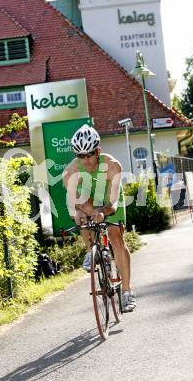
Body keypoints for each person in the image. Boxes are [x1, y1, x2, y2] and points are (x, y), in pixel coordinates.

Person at [62, 124, 136, 312]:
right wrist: (78, 213)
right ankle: (91, 251)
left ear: (98, 151)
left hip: (110, 201)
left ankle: (127, 292)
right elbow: (73, 202)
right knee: (84, 214)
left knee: (116, 237)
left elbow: (113, 204)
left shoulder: (112, 166)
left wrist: (103, 212)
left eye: (89, 154)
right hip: (88, 200)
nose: (85, 160)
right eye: (80, 156)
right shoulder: (71, 172)